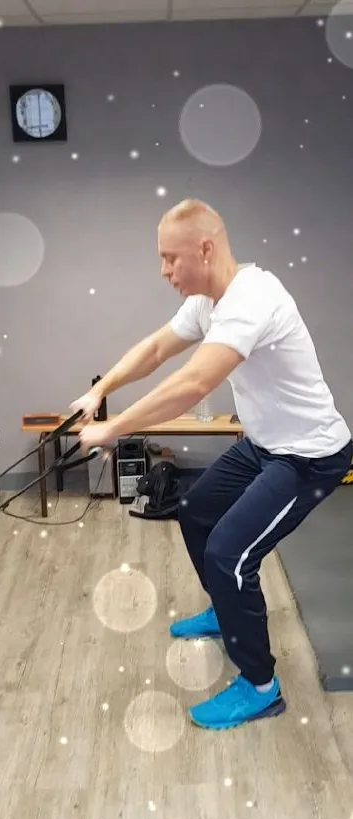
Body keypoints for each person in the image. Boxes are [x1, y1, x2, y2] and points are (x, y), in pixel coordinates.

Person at [71, 198, 352, 731]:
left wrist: (114, 428)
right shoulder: (209, 300)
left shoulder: (253, 297)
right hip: (264, 444)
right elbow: (157, 349)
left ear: (205, 248)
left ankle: (262, 687)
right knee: (196, 509)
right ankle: (228, 613)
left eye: (170, 258)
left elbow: (195, 383)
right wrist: (102, 390)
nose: (163, 271)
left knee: (229, 553)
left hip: (309, 457)